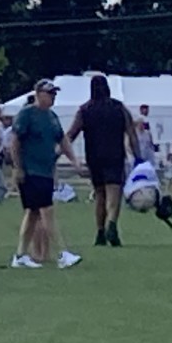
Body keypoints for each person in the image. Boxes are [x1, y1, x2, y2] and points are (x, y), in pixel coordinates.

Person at [10, 79, 84, 269]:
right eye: (49, 93)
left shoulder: (51, 116)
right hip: (31, 170)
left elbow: (62, 139)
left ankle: (20, 255)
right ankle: (62, 253)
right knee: (46, 211)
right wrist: (18, 167)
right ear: (38, 94)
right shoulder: (27, 114)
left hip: (45, 171)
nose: (53, 97)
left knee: (33, 213)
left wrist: (74, 160)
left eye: (54, 94)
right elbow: (16, 141)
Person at [67, 75, 140, 247]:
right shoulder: (119, 108)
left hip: (94, 157)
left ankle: (100, 232)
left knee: (100, 194)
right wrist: (138, 157)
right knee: (114, 194)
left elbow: (71, 134)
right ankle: (112, 223)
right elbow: (132, 134)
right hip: (114, 156)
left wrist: (61, 154)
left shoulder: (84, 110)